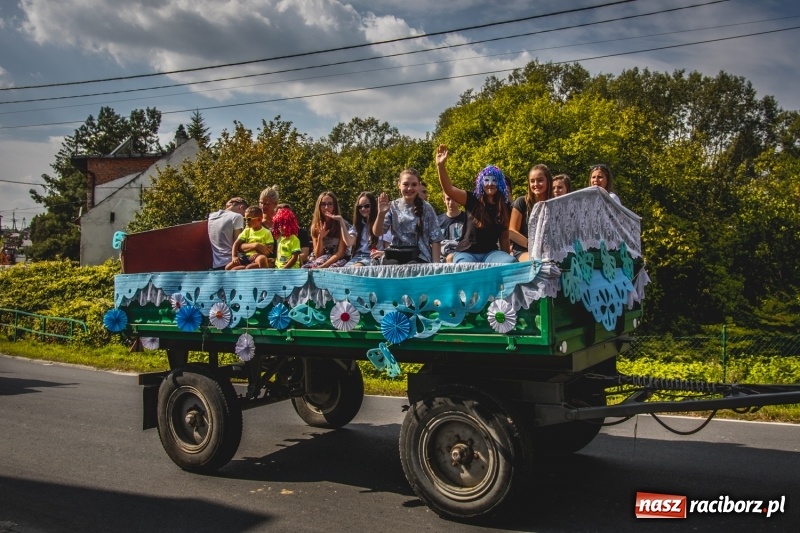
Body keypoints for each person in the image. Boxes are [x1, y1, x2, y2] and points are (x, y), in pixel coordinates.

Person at [435, 144, 515, 264]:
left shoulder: (505, 206)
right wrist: (441, 166)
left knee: (510, 262)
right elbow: (449, 190)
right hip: (467, 253)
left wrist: (506, 266)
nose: (490, 184)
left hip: (491, 253)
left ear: (500, 184)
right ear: (481, 182)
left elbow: (504, 238)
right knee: (467, 268)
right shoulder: (472, 198)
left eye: (494, 180)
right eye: (486, 180)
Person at [374, 168, 442, 265]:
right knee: (391, 267)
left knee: (412, 267)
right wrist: (381, 214)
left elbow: (436, 239)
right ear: (399, 185)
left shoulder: (427, 208)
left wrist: (436, 264)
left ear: (418, 186)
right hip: (396, 253)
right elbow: (377, 233)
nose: (409, 188)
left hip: (419, 255)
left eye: (414, 184)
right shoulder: (392, 206)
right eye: (406, 184)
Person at [509, 164, 552, 261]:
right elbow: (511, 231)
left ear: (548, 181)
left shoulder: (555, 203)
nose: (536, 184)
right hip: (524, 250)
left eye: (540, 180)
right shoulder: (521, 202)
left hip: (549, 251)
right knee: (538, 263)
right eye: (532, 181)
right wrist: (533, 246)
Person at [302, 191, 350, 268]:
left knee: (331, 268)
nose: (326, 207)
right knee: (307, 268)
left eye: (330, 204)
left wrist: (325, 265)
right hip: (321, 258)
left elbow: (341, 252)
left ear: (334, 206)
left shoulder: (342, 223)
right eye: (323, 204)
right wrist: (320, 238)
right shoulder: (315, 226)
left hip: (339, 258)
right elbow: (318, 255)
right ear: (319, 207)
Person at [343, 192, 390, 267]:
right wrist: (341, 223)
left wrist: (382, 253)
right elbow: (349, 242)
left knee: (356, 268)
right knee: (343, 271)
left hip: (374, 258)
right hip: (357, 257)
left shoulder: (382, 223)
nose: (363, 209)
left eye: (367, 206)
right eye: (360, 207)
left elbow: (388, 247)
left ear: (373, 206)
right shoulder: (358, 225)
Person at [207, 196, 247, 270]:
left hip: (217, 264)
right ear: (241, 207)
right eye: (244, 215)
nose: (244, 218)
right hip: (233, 262)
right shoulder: (237, 217)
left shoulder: (212, 216)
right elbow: (238, 243)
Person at [438, 191, 466, 263]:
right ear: (443, 200)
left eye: (454, 199)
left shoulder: (467, 219)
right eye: (448, 199)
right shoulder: (437, 221)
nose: (451, 202)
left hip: (461, 257)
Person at [256, 185, 280, 266]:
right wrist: (255, 245)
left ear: (275, 203)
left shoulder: (280, 221)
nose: (263, 207)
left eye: (266, 204)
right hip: (258, 259)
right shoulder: (256, 221)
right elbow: (241, 243)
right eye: (261, 203)